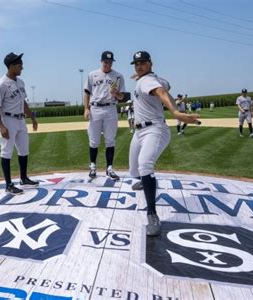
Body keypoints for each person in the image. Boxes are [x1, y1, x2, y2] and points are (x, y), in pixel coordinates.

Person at [128, 51, 200, 236]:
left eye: (143, 62)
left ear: (150, 63)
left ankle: (152, 214)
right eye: (137, 63)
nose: (139, 65)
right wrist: (149, 76)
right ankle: (145, 182)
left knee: (145, 166)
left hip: (155, 129)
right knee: (134, 171)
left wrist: (175, 112)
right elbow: (166, 85)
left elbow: (161, 92)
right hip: (139, 132)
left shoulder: (147, 81)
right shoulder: (148, 79)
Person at [0, 52, 39, 194]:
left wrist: (32, 117)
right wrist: (1, 126)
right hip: (7, 119)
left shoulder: (20, 82)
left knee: (24, 149)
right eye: (19, 65)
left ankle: (24, 178)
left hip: (20, 119)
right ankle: (8, 184)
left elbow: (23, 102)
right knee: (6, 151)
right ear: (11, 66)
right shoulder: (2, 83)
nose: (22, 67)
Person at [83, 51, 126, 181]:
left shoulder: (118, 76)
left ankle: (109, 168)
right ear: (101, 61)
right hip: (95, 108)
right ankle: (93, 167)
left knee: (110, 140)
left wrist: (117, 93)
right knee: (94, 140)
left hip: (111, 108)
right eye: (105, 61)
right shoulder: (92, 74)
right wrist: (86, 108)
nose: (108, 64)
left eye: (110, 62)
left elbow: (122, 97)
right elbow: (86, 92)